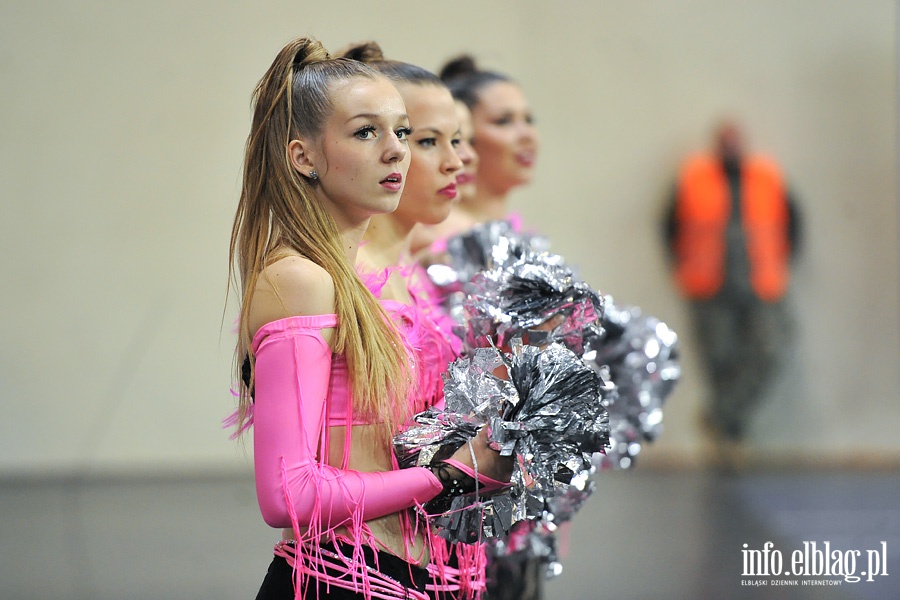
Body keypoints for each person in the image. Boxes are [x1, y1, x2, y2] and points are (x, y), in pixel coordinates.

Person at [228, 36, 509, 600]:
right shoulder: (299, 278)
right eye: (365, 132)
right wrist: (450, 474)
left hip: (430, 579)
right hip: (344, 580)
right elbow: (288, 495)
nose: (396, 151)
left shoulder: (388, 272)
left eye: (402, 132)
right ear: (303, 156)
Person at [664, 119, 801, 462]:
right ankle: (731, 437)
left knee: (770, 350)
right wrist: (683, 266)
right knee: (720, 361)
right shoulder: (693, 177)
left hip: (761, 283)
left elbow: (794, 223)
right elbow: (670, 226)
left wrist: (781, 263)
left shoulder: (767, 176)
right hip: (709, 286)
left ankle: (721, 417)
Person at [411, 55, 539, 255]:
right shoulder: (433, 240)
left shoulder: (510, 233)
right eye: (503, 121)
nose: (527, 135)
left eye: (529, 119)